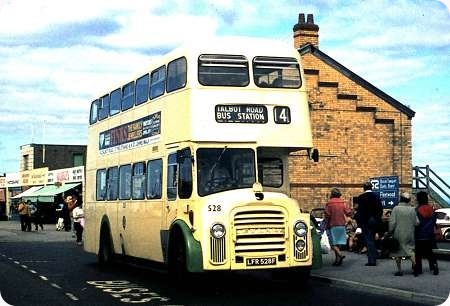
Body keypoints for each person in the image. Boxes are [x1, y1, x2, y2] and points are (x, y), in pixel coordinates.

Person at [389, 192, 419, 276]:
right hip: (410, 233)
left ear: (400, 199)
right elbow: (417, 222)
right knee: (410, 251)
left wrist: (390, 231)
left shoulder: (396, 209)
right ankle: (415, 267)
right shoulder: (412, 209)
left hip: (398, 233)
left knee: (397, 252)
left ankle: (399, 271)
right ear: (408, 200)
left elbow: (392, 223)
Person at [355, 182, 383, 266]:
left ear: (364, 188)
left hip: (365, 222)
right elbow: (380, 210)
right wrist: (378, 220)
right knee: (372, 239)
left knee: (369, 240)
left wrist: (359, 224)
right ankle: (375, 254)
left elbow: (360, 212)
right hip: (375, 221)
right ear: (372, 188)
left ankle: (372, 260)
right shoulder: (376, 196)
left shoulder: (361, 197)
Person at [324, 187, 352, 266]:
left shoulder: (329, 203)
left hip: (332, 225)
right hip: (341, 225)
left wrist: (326, 224)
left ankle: (340, 255)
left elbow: (327, 215)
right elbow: (348, 212)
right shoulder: (343, 203)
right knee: (338, 243)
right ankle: (337, 260)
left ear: (332, 194)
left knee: (333, 244)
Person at [415, 191, 439, 275]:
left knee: (418, 254)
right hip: (429, 235)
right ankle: (434, 266)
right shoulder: (431, 210)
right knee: (430, 253)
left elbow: (416, 223)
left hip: (419, 235)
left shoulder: (417, 210)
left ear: (418, 199)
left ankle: (418, 269)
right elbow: (434, 222)